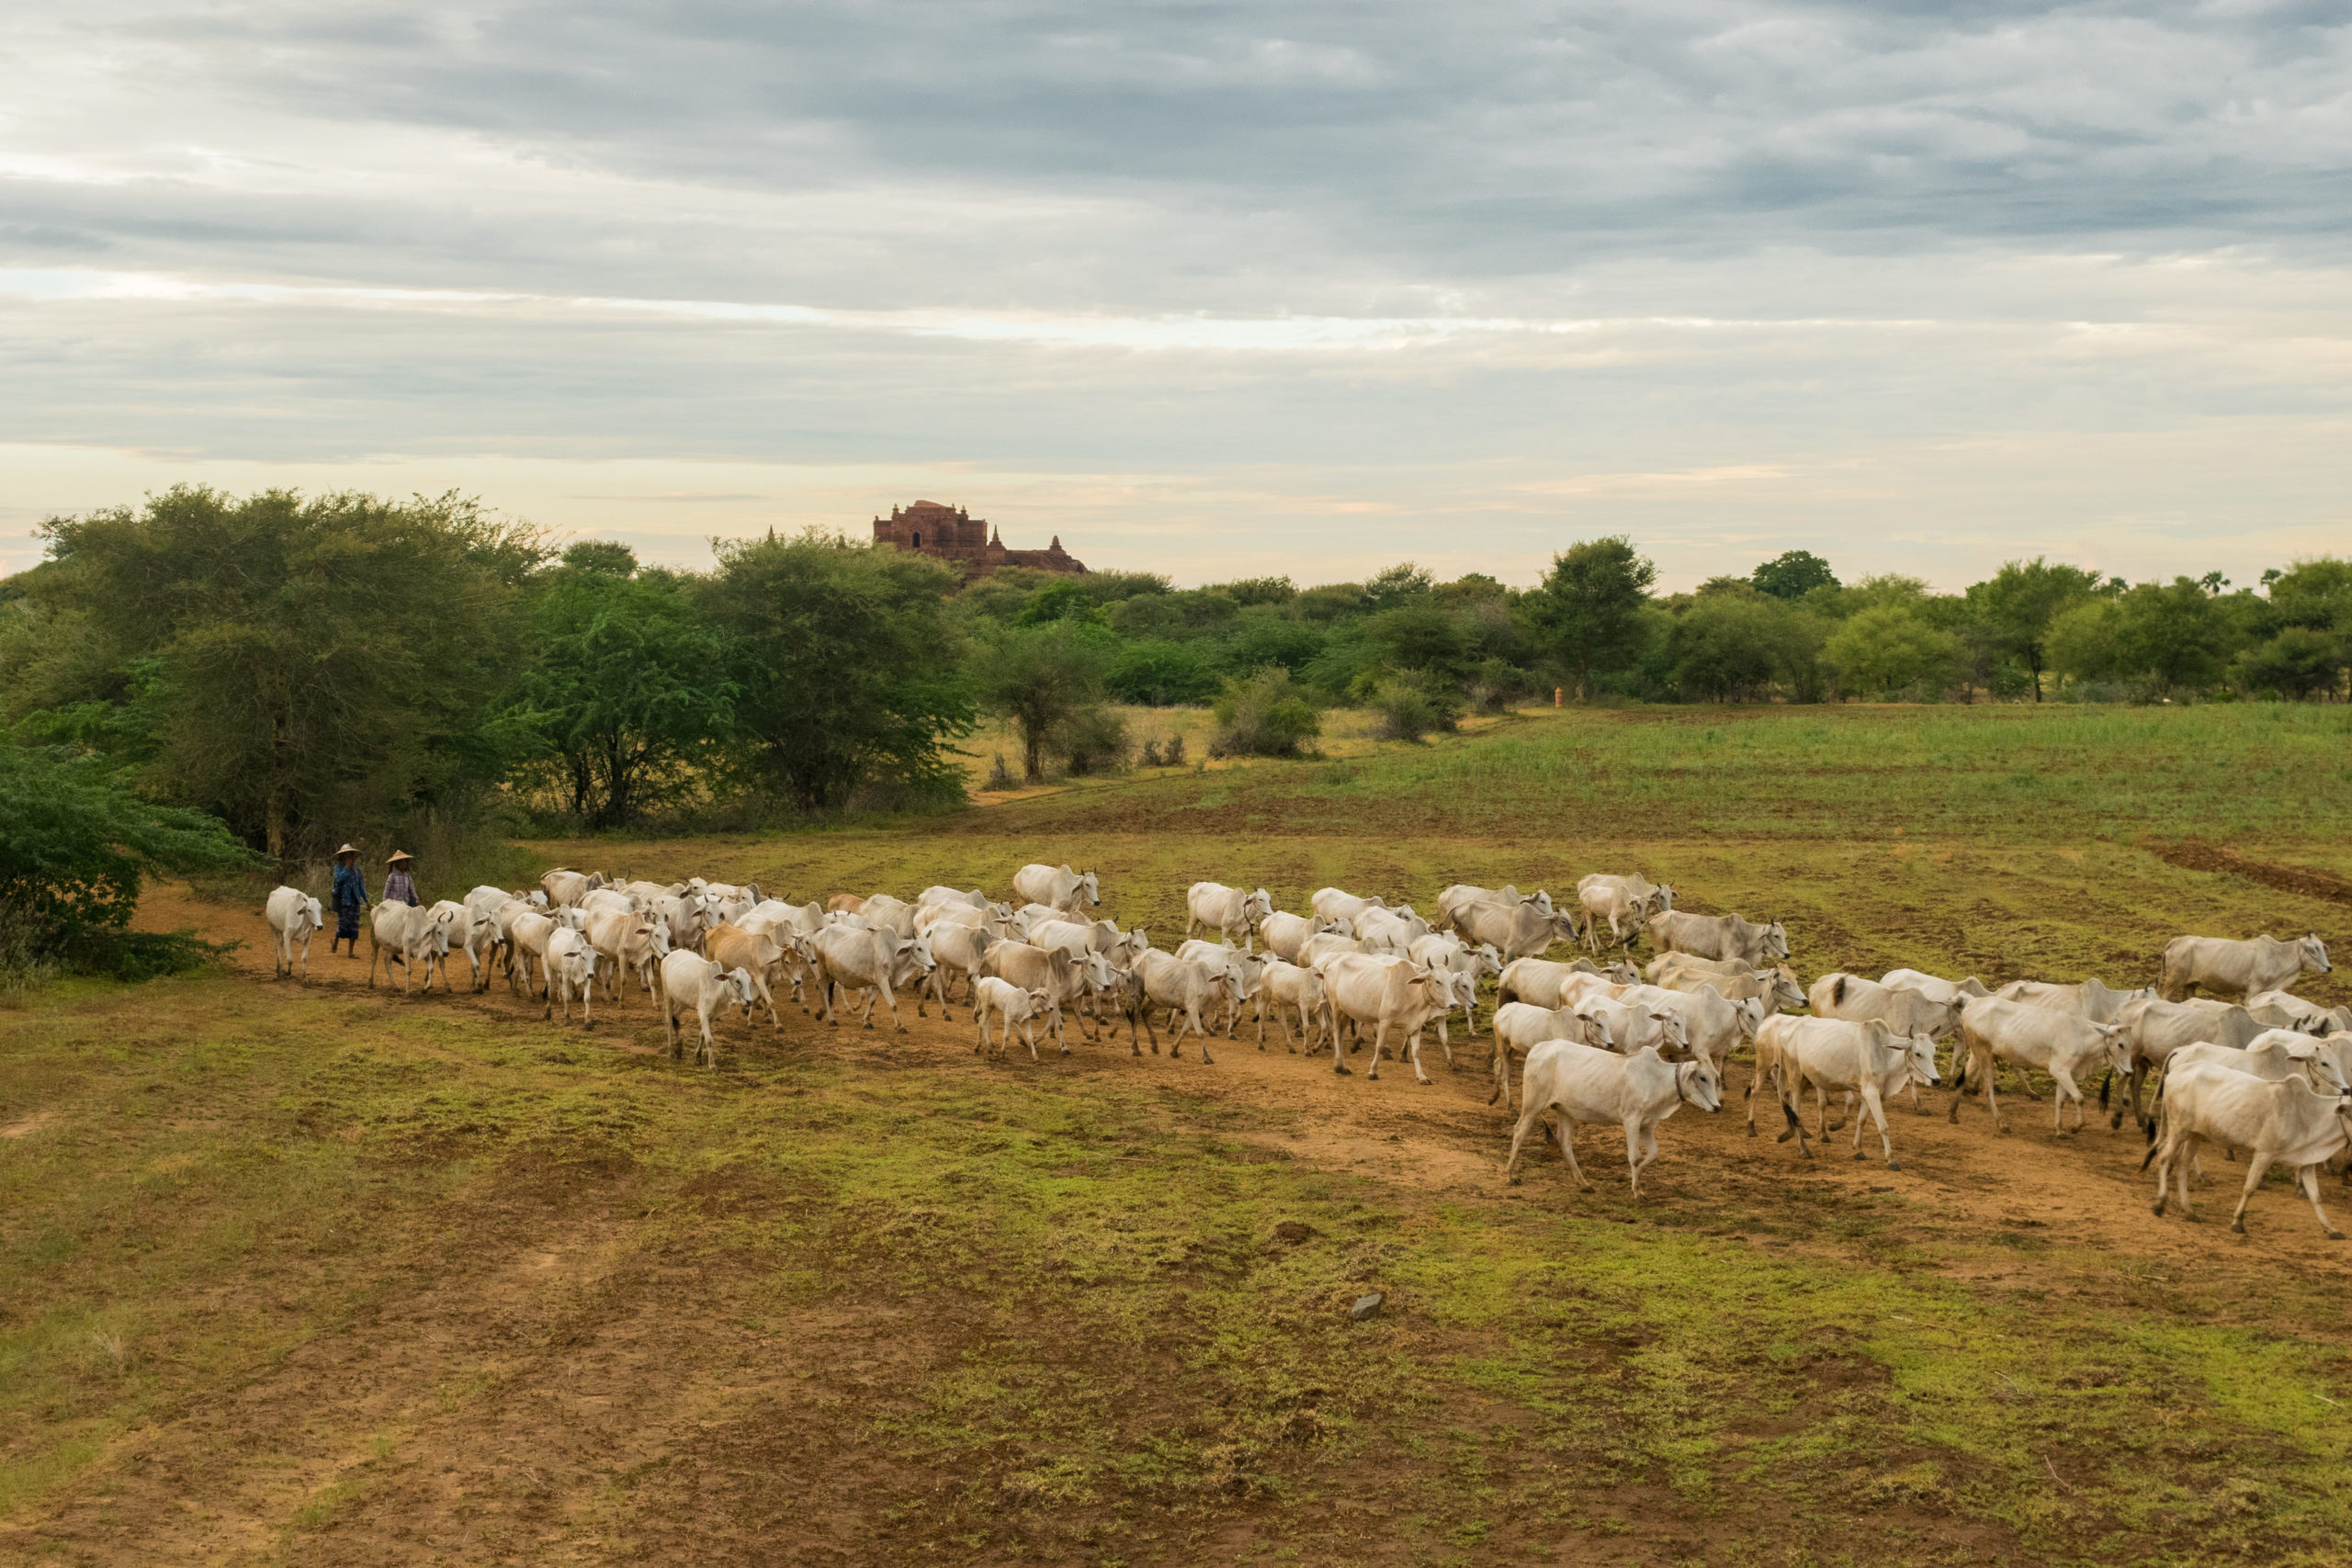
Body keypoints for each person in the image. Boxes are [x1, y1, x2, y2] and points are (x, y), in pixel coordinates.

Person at [330, 844, 370, 956]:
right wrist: (347, 868)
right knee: (343, 924)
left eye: (351, 856)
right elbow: (338, 879)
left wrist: (366, 901)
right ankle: (336, 939)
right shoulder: (338, 868)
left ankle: (350, 952)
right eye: (347, 856)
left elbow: (361, 886)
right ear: (343, 857)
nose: (350, 858)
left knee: (354, 927)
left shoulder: (357, 870)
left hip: (355, 901)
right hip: (344, 900)